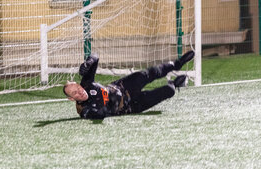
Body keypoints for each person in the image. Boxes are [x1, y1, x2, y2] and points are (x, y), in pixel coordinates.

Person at [63, 50, 195, 120]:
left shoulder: (86, 84)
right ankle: (174, 84)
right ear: (72, 99)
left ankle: (177, 64)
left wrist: (88, 63)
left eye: (78, 88)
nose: (80, 92)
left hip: (123, 86)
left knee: (148, 73)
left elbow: (95, 56)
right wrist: (100, 112)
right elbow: (99, 115)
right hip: (132, 106)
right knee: (168, 91)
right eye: (75, 93)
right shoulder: (85, 110)